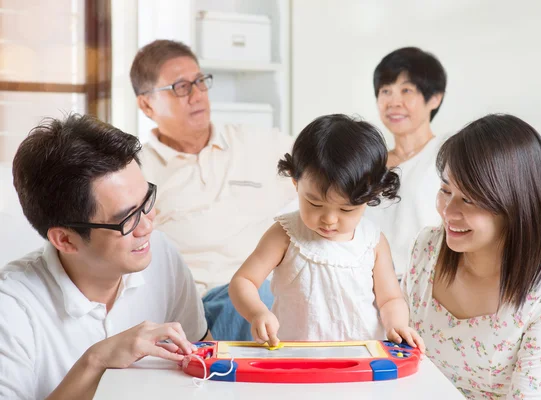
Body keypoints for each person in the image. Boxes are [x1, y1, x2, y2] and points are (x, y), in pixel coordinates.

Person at [0, 114, 209, 400]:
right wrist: (96, 361)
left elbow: (205, 362)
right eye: (127, 219)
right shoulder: (11, 309)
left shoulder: (160, 255)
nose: (148, 226)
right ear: (65, 239)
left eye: (146, 201)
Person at [402, 114, 541, 399]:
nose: (448, 212)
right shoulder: (428, 247)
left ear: (515, 204)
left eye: (469, 199)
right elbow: (403, 361)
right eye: (445, 190)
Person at [131, 40, 296, 340]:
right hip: (203, 307)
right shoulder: (138, 173)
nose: (197, 95)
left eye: (200, 82)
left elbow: (329, 165)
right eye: (181, 87)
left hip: (273, 294)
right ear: (146, 104)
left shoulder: (258, 143)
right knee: (263, 306)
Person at [229, 114, 425, 349]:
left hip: (361, 358)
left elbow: (390, 298)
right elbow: (243, 281)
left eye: (346, 209)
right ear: (296, 182)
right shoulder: (286, 234)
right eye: (315, 204)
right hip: (296, 356)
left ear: (370, 197)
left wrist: (397, 324)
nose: (330, 219)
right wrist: (257, 312)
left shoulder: (372, 242)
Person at [367, 47, 447, 278]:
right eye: (385, 91)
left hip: (426, 282)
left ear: (434, 98)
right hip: (367, 284)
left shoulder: (447, 151)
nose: (394, 102)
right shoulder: (368, 162)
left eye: (406, 90)